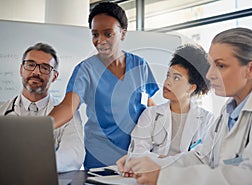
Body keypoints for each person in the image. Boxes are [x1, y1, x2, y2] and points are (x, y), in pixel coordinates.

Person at [117, 28, 252, 185]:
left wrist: (163, 178)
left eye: (220, 66)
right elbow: (201, 157)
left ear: (251, 69)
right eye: (211, 66)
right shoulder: (229, 111)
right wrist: (145, 163)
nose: (211, 75)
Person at [48, 2, 159, 170]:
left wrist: (164, 130)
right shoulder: (86, 70)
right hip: (98, 155)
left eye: (108, 34)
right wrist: (40, 128)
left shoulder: (140, 65)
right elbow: (68, 106)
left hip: (135, 154)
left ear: (122, 33)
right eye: (95, 34)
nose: (100, 40)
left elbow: (147, 104)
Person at [117, 44, 213, 165]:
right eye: (168, 75)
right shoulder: (150, 115)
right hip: (152, 177)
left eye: (176, 78)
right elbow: (137, 153)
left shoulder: (207, 120)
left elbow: (204, 158)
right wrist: (174, 161)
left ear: (191, 88)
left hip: (188, 179)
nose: (167, 82)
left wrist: (161, 159)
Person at [0, 43, 85, 173]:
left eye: (45, 68)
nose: (36, 72)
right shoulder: (2, 110)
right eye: (30, 65)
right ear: (21, 70)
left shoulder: (68, 113)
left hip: (49, 181)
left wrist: (38, 167)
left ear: (54, 76)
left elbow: (74, 153)